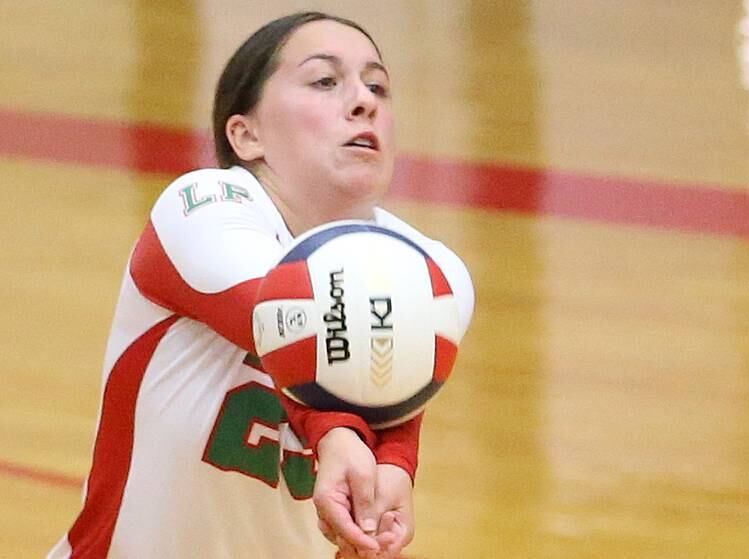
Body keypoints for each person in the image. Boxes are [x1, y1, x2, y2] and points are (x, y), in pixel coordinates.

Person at [48, 11, 474, 559]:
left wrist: (393, 473)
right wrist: (338, 435)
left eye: (378, 86)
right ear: (245, 134)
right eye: (325, 80)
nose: (364, 101)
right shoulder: (199, 210)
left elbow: (393, 405)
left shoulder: (436, 273)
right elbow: (288, 321)